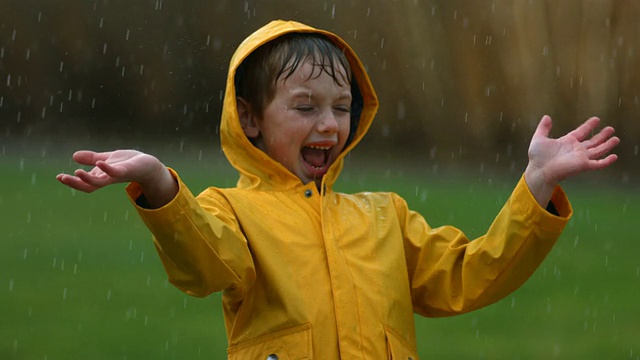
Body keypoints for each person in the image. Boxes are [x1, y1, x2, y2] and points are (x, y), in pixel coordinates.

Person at [56, 20, 620, 359]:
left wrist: (536, 186)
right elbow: (203, 269)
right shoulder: (229, 210)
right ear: (249, 118)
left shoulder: (385, 216)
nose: (328, 124)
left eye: (342, 108)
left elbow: (473, 275)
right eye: (304, 107)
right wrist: (159, 183)